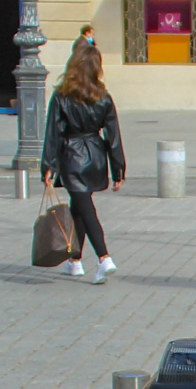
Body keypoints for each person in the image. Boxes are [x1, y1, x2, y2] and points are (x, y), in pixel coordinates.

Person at [41, 37, 127, 283]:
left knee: (86, 208)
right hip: (95, 154)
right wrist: (118, 169)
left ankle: (104, 257)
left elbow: (53, 133)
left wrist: (48, 164)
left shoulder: (62, 95)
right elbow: (114, 137)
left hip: (72, 155)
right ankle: (74, 261)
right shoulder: (104, 97)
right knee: (78, 206)